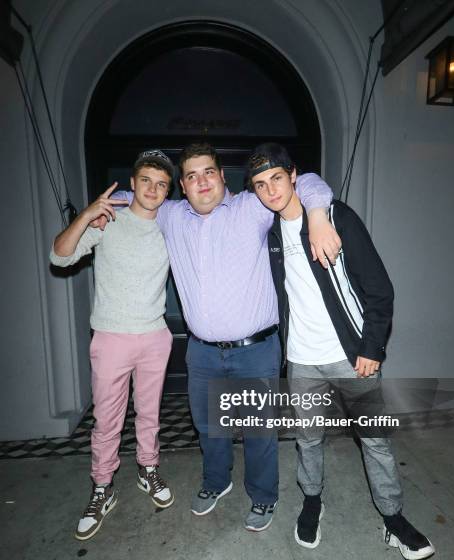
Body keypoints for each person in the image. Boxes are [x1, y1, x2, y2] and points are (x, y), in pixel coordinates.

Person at [111, 142, 341, 531]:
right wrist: (100, 208)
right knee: (209, 428)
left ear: (222, 176)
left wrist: (318, 216)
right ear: (182, 185)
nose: (201, 181)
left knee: (258, 432)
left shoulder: (251, 208)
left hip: (254, 351)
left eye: (208, 172)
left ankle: (263, 497)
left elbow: (309, 183)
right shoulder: (170, 216)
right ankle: (216, 483)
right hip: (202, 354)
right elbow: (131, 196)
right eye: (191, 176)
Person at [247, 142, 435, 559]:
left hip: (352, 357)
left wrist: (373, 347)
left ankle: (393, 518)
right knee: (308, 439)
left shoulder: (336, 217)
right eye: (260, 185)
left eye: (277, 178)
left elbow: (379, 289)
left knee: (375, 441)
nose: (270, 190)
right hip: (301, 360)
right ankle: (312, 500)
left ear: (294, 176)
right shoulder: (267, 233)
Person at [50, 150, 175, 541]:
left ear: (167, 191)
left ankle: (147, 469)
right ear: (133, 183)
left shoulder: (173, 225)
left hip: (155, 336)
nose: (153, 189)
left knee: (150, 414)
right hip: (111, 336)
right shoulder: (108, 220)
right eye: (147, 181)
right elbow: (59, 254)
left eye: (162, 184)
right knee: (107, 421)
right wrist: (86, 215)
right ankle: (102, 487)